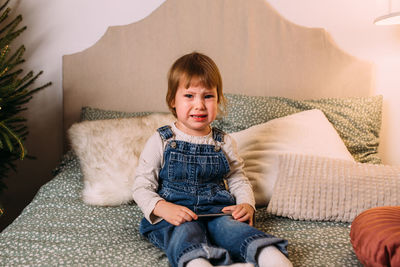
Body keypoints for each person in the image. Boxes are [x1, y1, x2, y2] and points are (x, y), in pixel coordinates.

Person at [132, 52, 292, 267]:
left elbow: (237, 177)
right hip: (176, 214)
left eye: (208, 96)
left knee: (233, 230)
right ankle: (198, 262)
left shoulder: (222, 141)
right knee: (185, 234)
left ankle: (268, 255)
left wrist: (246, 204)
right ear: (172, 100)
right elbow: (141, 186)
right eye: (189, 96)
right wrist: (162, 208)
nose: (199, 105)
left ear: (218, 99)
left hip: (217, 211)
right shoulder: (162, 139)